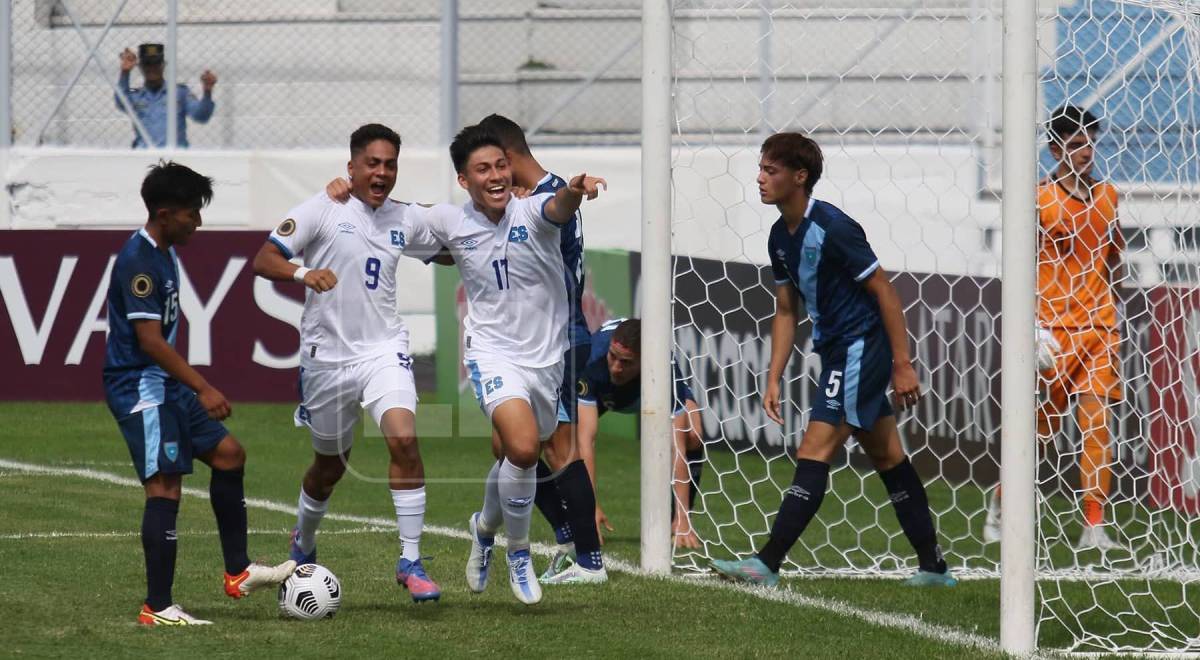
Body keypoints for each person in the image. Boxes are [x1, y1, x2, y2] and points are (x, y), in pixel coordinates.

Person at [710, 132, 955, 587]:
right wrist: (773, 377)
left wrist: (902, 364)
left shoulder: (834, 228)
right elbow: (787, 309)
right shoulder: (778, 236)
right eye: (761, 168)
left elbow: (884, 290)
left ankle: (766, 563)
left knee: (814, 448)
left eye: (771, 170)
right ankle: (935, 568)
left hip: (861, 346)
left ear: (799, 177)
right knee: (887, 455)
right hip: (837, 349)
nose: (760, 178)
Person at [251, 124, 445, 602]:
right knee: (329, 467)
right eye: (372, 163)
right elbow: (264, 258)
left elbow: (448, 248)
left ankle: (411, 560)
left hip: (384, 350)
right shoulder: (323, 208)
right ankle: (304, 542)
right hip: (327, 359)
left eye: (390, 164)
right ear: (352, 167)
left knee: (403, 437)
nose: (381, 172)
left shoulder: (404, 217)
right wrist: (303, 272)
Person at [418, 125, 604, 605]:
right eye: (484, 169)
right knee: (523, 448)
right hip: (492, 353)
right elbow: (395, 223)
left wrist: (574, 193)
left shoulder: (531, 210)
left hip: (546, 359)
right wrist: (345, 198)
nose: (497, 176)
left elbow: (557, 207)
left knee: (511, 454)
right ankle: (518, 554)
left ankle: (482, 529)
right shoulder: (450, 221)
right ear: (464, 180)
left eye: (501, 165)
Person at [103, 161, 295, 625]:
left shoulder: (164, 250)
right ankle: (158, 606)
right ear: (165, 213)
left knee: (230, 455)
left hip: (164, 386)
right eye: (192, 213)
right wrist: (203, 386)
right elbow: (148, 341)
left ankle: (238, 571)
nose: (199, 222)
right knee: (165, 487)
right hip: (141, 388)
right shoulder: (138, 262)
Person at [983, 106, 1125, 551]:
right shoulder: (1039, 200)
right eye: (1076, 143)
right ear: (1055, 149)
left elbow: (1113, 255)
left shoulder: (1108, 195)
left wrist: (1111, 298)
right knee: (1042, 429)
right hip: (1054, 331)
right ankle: (1002, 502)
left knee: (1097, 423)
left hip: (1100, 326)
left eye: (1090, 142)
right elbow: (1021, 265)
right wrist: (1031, 327)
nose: (1086, 151)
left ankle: (1094, 525)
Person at [538, 317, 707, 583]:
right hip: (603, 394)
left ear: (645, 360)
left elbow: (675, 445)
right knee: (561, 441)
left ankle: (679, 518)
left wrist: (684, 518)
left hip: (643, 389)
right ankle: (573, 518)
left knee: (692, 433)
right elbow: (586, 441)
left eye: (626, 362)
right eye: (613, 357)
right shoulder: (593, 359)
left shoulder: (663, 366)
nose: (616, 367)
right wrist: (590, 507)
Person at [115, 43, 216, 148]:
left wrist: (207, 91)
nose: (152, 68)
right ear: (140, 67)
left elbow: (201, 116)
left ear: (163, 65)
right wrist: (125, 72)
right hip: (144, 157)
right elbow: (121, 102)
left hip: (175, 157)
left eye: (156, 63)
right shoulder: (136, 96)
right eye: (147, 64)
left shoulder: (180, 93)